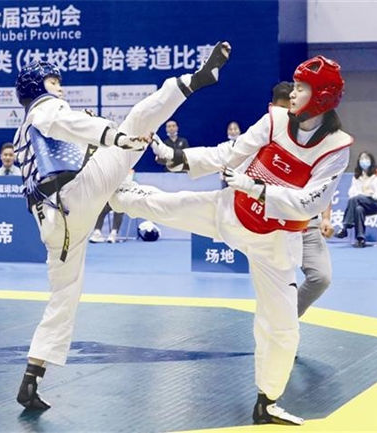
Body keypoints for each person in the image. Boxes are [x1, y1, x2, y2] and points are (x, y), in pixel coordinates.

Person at [111, 55, 352, 425]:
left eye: (302, 88)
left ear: (321, 97)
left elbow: (313, 201)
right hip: (231, 211)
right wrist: (180, 157)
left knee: (282, 328)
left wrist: (258, 189)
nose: (293, 93)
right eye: (294, 85)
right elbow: (230, 152)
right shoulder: (275, 119)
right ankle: (112, 194)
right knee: (167, 206)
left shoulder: (335, 147)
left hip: (275, 242)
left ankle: (267, 402)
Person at [12, 42, 232, 411]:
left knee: (65, 293)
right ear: (37, 87)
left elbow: (71, 141)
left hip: (55, 221)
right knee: (138, 122)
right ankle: (193, 82)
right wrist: (117, 138)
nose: (60, 88)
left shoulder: (24, 132)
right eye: (53, 81)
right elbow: (72, 123)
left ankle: (32, 376)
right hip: (75, 194)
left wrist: (108, 145)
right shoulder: (45, 109)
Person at [270, 81, 333, 316]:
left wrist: (326, 217)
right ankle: (280, 328)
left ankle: (284, 319)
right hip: (274, 228)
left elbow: (324, 186)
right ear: (272, 108)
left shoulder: (313, 141)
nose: (288, 116)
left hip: (307, 225)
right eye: (283, 110)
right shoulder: (262, 138)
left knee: (321, 277)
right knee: (278, 285)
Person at [334, 152, 377, 247]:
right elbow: (352, 193)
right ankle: (360, 239)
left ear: (371, 161)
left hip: (376, 203)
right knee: (358, 209)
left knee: (357, 199)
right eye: (362, 159)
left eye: (366, 158)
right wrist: (362, 195)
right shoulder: (357, 176)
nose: (364, 161)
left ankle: (345, 227)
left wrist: (372, 195)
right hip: (361, 203)